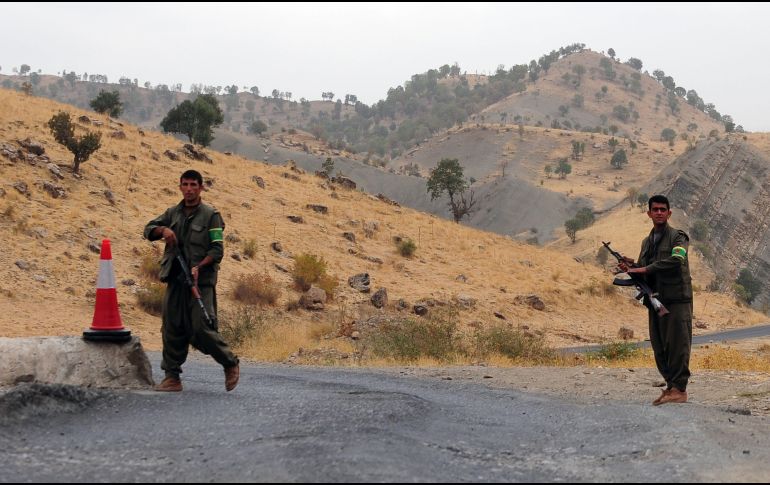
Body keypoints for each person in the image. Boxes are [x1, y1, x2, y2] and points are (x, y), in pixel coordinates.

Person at [143, 169, 240, 392]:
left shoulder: (211, 215)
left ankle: (229, 362)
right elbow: (148, 230)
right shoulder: (172, 213)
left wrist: (199, 267)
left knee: (201, 327)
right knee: (171, 326)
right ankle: (172, 376)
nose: (189, 189)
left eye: (193, 185)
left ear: (201, 188)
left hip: (200, 282)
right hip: (176, 279)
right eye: (185, 184)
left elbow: (217, 249)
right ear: (180, 187)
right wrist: (164, 230)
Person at [618, 194, 692, 405]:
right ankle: (670, 387)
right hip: (655, 300)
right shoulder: (647, 241)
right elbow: (644, 269)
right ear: (649, 213)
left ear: (669, 213)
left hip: (676, 300)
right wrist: (630, 266)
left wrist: (642, 268)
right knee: (659, 346)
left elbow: (677, 259)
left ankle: (680, 389)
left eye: (663, 209)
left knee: (678, 345)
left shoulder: (678, 237)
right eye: (655, 209)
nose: (659, 212)